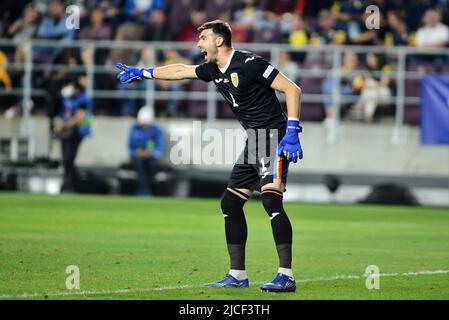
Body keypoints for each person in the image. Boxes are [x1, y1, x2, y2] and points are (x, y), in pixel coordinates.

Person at [116, 20, 303, 293]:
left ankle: (286, 275)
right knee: (230, 203)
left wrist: (293, 130)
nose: (198, 43)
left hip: (272, 137)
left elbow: (292, 89)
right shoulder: (213, 70)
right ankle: (237, 274)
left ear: (219, 40)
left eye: (203, 38)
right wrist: (145, 72)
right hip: (254, 140)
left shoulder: (250, 64)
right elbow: (181, 71)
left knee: (271, 200)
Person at [53, 75, 92, 192]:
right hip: (66, 131)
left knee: (69, 159)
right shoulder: (66, 99)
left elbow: (79, 117)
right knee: (66, 160)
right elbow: (61, 114)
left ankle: (71, 184)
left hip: (77, 132)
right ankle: (69, 184)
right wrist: (57, 125)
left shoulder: (84, 98)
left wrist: (63, 125)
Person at [128, 106, 165, 196]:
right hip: (137, 157)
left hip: (151, 157)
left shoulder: (157, 130)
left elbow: (160, 148)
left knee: (152, 165)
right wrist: (136, 152)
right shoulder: (134, 129)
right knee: (140, 165)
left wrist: (150, 153)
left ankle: (146, 189)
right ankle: (144, 190)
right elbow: (130, 147)